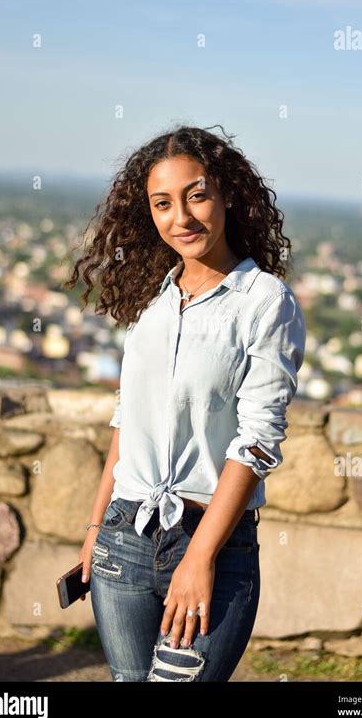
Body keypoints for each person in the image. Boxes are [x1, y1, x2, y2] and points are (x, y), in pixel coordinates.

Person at [64, 124, 306, 681]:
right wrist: (95, 530)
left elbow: (257, 443)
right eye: (163, 203)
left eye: (196, 195)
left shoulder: (264, 302)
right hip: (122, 539)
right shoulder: (156, 304)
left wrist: (199, 560)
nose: (182, 217)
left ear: (226, 196)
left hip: (210, 545)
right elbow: (128, 422)